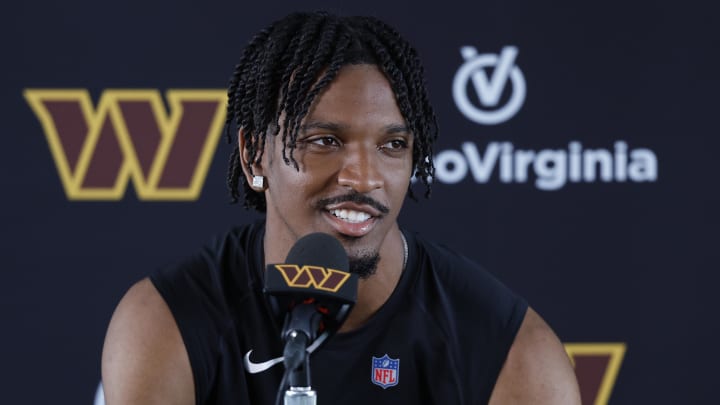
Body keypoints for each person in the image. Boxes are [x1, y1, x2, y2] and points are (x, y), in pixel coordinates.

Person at [101, 11, 581, 405]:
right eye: (324, 141)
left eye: (392, 145)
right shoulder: (167, 324)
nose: (364, 178)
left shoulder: (513, 355)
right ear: (253, 156)